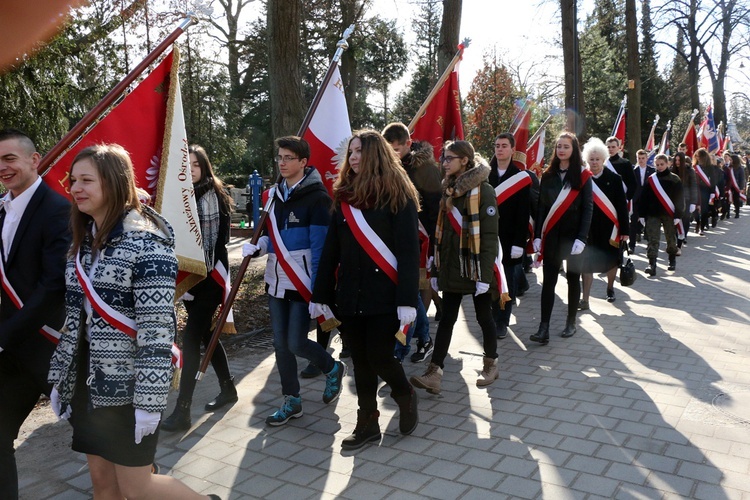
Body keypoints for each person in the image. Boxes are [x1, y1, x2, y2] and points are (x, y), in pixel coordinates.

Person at [47, 144, 217, 499]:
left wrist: (149, 404)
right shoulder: (82, 243)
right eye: (73, 180)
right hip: (89, 385)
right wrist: (59, 379)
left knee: (139, 488)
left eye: (86, 180)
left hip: (129, 390)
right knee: (102, 484)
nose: (76, 188)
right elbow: (75, 322)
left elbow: (157, 334)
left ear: (114, 182)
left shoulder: (147, 244)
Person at [311, 129, 420, 450]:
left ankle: (405, 394)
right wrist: (320, 295)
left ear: (375, 155)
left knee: (380, 356)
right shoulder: (343, 196)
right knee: (359, 360)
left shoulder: (398, 194)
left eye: (359, 151)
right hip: (350, 294)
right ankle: (367, 424)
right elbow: (331, 250)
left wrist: (407, 299)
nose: (353, 157)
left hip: (385, 295)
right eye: (351, 152)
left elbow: (408, 252)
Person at [243, 136, 345, 426]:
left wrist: (318, 292)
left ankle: (332, 367)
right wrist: (260, 247)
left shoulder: (318, 199)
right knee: (280, 344)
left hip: (304, 282)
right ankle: (292, 400)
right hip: (276, 280)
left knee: (296, 342)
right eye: (279, 157)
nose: (282, 163)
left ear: (303, 162)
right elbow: (271, 236)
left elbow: (320, 251)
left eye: (289, 158)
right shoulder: (275, 196)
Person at [0, 129, 71, 500]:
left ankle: (152, 488)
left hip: (51, 349)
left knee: (106, 442)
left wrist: (3, 336)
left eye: (9, 158)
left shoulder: (58, 209)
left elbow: (53, 286)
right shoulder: (1, 208)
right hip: (12, 356)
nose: (3, 167)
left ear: (34, 159)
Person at [410, 140, 500, 394]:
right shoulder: (447, 190)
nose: (445, 162)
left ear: (465, 161)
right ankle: (434, 372)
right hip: (452, 265)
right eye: (444, 158)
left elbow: (490, 237)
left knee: (484, 317)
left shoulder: (484, 191)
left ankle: (491, 363)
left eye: (450, 158)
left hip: (475, 267)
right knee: (447, 319)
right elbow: (443, 232)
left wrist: (483, 276)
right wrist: (436, 269)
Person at [161, 145, 238, 432]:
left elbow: (208, 247)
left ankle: (183, 410)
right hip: (192, 278)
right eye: (186, 165)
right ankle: (228, 388)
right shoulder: (184, 196)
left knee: (191, 338)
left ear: (204, 167)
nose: (190, 170)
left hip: (208, 277)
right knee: (205, 334)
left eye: (195, 165)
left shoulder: (211, 196)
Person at [382, 122, 439, 363]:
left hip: (421, 237)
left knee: (414, 288)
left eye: (397, 149)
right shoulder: (384, 167)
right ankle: (419, 335)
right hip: (391, 236)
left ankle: (418, 337)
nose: (393, 154)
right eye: (388, 149)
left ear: (408, 143)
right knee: (404, 288)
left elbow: (435, 207)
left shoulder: (425, 169)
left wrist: (435, 241)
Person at [530, 132, 593, 344]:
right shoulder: (548, 176)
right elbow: (541, 208)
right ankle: (543, 327)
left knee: (573, 279)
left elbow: (587, 209)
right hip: (553, 236)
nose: (561, 150)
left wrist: (582, 238)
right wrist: (538, 236)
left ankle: (571, 321)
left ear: (574, 150)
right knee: (549, 281)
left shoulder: (583, 176)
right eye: (558, 146)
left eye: (566, 146)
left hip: (574, 237)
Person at [487, 133, 531, 340]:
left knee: (508, 282)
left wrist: (519, 243)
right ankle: (493, 316)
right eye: (497, 145)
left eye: (504, 146)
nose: (500, 149)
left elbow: (524, 213)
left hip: (510, 239)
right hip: (488, 238)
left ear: (513, 150)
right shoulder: (486, 175)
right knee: (490, 280)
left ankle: (503, 321)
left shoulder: (520, 177)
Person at [579, 138, 629, 309]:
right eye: (591, 159)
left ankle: (610, 288)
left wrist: (625, 230)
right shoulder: (583, 178)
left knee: (611, 260)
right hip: (588, 228)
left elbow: (621, 206)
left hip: (610, 228)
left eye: (597, 159)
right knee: (586, 262)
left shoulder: (614, 179)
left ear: (603, 159)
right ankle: (585, 299)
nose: (594, 162)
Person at [639, 154, 684, 276]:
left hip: (669, 214)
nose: (659, 167)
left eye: (662, 164)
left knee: (670, 238)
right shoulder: (651, 179)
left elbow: (679, 199)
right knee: (653, 239)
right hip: (653, 214)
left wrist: (678, 215)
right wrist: (641, 214)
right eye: (657, 165)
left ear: (668, 164)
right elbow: (643, 198)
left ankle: (672, 259)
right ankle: (652, 264)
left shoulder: (674, 179)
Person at [670, 151, 697, 251]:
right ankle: (674, 242)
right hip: (673, 201)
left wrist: (694, 202)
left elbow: (694, 186)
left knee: (684, 221)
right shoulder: (670, 170)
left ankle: (680, 243)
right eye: (675, 160)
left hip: (686, 200)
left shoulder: (689, 171)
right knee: (674, 222)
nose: (677, 162)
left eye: (679, 160)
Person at [630, 149, 655, 251]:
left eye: (643, 158)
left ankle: (649, 244)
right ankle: (631, 245)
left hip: (647, 201)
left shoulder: (652, 171)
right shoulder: (633, 170)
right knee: (633, 224)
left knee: (649, 223)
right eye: (639, 158)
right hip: (636, 201)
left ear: (646, 158)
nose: (641, 160)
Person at [693, 148, 717, 235]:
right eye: (696, 156)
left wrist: (712, 192)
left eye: (700, 156)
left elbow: (713, 180)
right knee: (694, 209)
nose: (698, 158)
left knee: (704, 210)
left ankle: (702, 228)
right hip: (695, 190)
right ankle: (697, 222)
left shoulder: (710, 167)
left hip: (705, 190)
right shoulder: (694, 166)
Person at [605, 136, 637, 201]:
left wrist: (627, 198)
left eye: (613, 147)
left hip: (622, 198)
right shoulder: (602, 163)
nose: (610, 149)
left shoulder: (625, 163)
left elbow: (632, 184)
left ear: (618, 148)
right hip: (606, 200)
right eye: (608, 147)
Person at [726, 153, 746, 218]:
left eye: (731, 160)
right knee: (728, 199)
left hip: (736, 186)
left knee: (736, 199)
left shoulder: (740, 168)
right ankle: (727, 213)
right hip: (729, 186)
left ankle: (737, 212)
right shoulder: (728, 167)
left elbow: (742, 178)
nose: (730, 161)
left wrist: (741, 187)